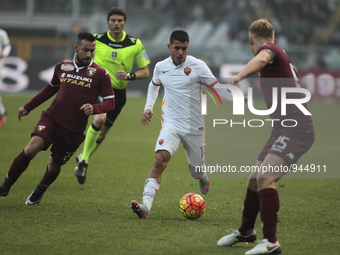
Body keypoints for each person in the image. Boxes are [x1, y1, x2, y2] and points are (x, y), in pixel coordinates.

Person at [217, 19, 314, 254]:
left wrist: (239, 76)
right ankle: (246, 232)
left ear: (252, 40)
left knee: (265, 178)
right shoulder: (279, 54)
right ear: (274, 37)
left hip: (296, 129)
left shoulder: (268, 52)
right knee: (254, 179)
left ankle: (271, 242)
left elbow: (261, 58)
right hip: (282, 129)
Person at [0, 32, 115, 205]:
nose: (89, 54)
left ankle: (39, 191)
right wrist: (28, 106)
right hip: (52, 118)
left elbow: (111, 103)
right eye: (85, 50)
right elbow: (51, 88)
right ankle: (5, 186)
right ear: (75, 48)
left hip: (74, 130)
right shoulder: (62, 67)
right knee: (31, 149)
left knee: (54, 165)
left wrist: (94, 108)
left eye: (92, 50)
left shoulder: (101, 74)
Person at [130, 30, 235, 219]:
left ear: (188, 47)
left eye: (184, 48)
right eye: (177, 48)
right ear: (169, 47)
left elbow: (216, 87)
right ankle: (145, 206)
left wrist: (238, 97)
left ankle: (202, 176)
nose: (180, 52)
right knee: (159, 159)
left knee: (195, 171)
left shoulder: (198, 66)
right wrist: (148, 107)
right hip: (171, 123)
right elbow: (154, 84)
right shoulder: (161, 66)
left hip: (195, 126)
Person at [74, 7, 150, 185]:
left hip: (118, 94)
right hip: (97, 89)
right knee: (99, 120)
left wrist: (130, 76)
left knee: (102, 135)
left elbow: (146, 71)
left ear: (125, 23)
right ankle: (84, 161)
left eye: (119, 21)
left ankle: (82, 157)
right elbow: (80, 59)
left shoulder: (135, 43)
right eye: (113, 20)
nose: (116, 23)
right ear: (108, 22)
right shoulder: (96, 40)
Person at [0, 28, 11, 128]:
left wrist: (4, 53)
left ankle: (2, 113)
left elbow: (7, 46)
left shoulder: (1, 33)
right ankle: (2, 113)